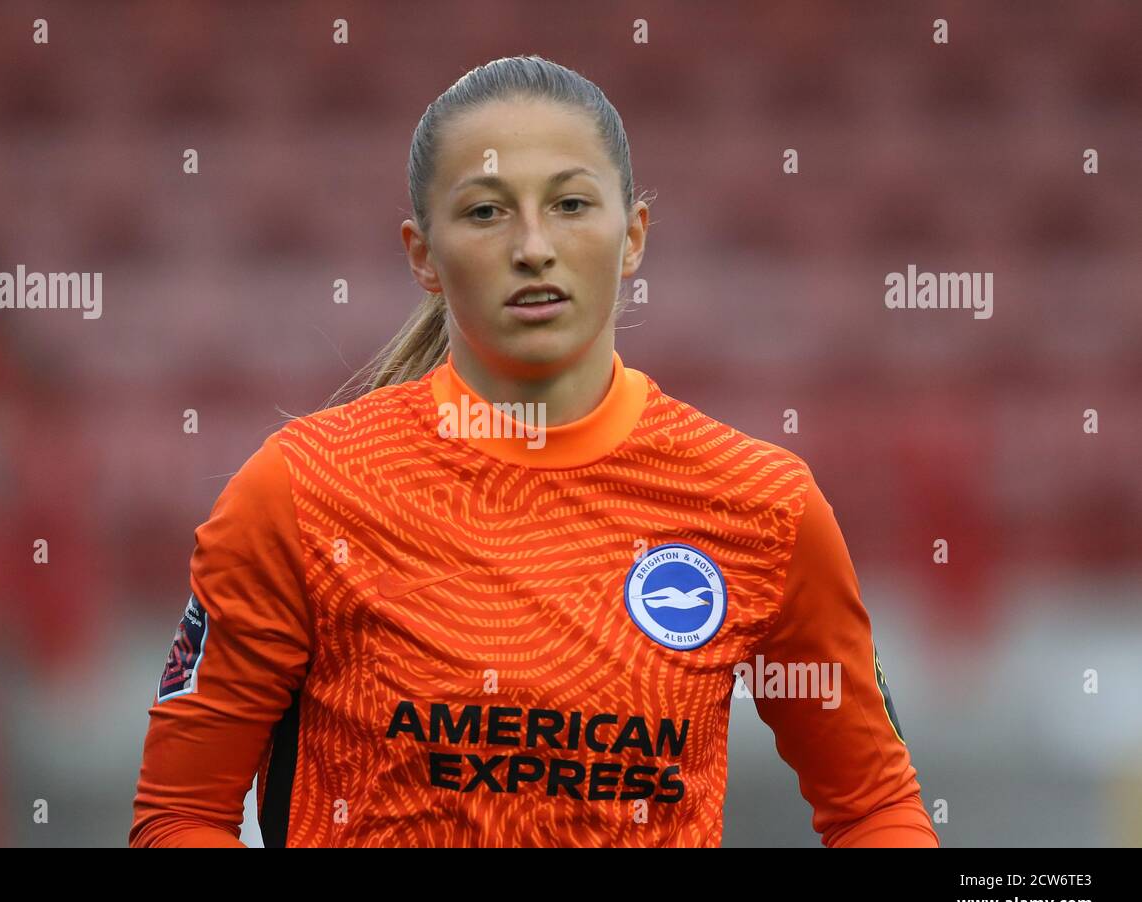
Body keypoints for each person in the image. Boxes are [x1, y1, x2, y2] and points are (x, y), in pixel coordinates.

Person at [130, 54, 939, 848]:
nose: (533, 247)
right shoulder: (301, 492)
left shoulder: (761, 505)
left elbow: (875, 810)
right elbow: (178, 818)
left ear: (634, 237)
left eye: (571, 204)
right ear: (422, 256)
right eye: (485, 211)